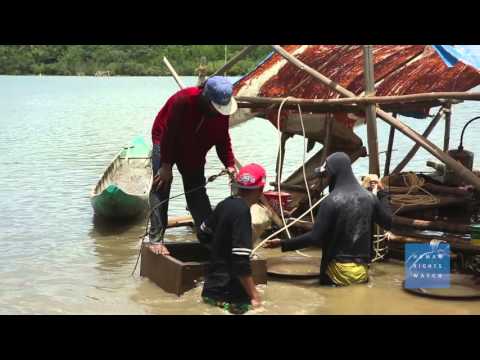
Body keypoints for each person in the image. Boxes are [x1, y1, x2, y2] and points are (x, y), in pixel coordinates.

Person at [265, 152, 392, 287]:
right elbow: (388, 222)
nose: (326, 179)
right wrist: (383, 194)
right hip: (362, 271)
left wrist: (283, 243)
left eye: (326, 175)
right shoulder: (370, 198)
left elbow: (314, 237)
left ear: (333, 173)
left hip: (337, 271)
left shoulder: (331, 201)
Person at [148, 77, 238, 254]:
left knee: (196, 191)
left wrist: (230, 164)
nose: (219, 112)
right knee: (161, 185)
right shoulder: (184, 101)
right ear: (205, 98)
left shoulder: (221, 115)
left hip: (195, 147)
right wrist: (166, 166)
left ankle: (209, 238)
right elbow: (170, 132)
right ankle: (156, 239)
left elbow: (223, 139)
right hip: (166, 140)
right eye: (216, 107)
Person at [198, 164, 266, 314]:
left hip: (210, 291)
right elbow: (241, 261)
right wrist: (255, 296)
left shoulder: (224, 204)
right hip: (230, 298)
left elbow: (202, 234)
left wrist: (220, 253)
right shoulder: (243, 213)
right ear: (261, 190)